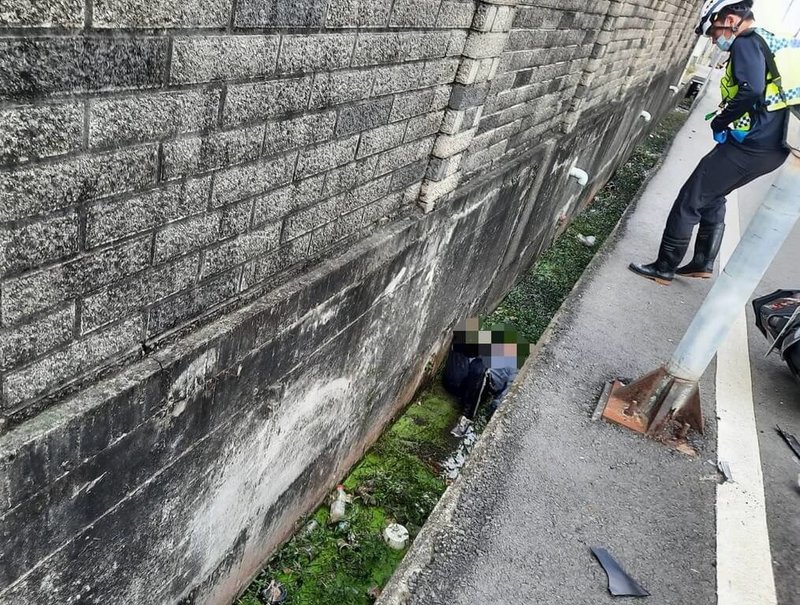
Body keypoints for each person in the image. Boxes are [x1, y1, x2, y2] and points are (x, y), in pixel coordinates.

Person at [629, 0, 790, 285]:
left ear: (729, 20)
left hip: (750, 147)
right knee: (712, 196)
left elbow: (751, 89)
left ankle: (664, 267)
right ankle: (702, 262)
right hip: (768, 148)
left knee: (689, 200)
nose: (715, 40)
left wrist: (720, 121)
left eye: (714, 33)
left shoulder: (746, 42)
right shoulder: (766, 41)